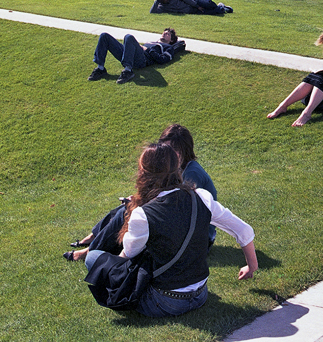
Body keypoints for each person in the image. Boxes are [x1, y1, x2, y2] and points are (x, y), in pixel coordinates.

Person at [79, 142, 258, 317]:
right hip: (200, 294)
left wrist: (112, 267)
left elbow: (129, 253)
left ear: (143, 174)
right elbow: (243, 229)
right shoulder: (202, 197)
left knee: (95, 258)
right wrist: (252, 266)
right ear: (177, 167)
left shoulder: (143, 214)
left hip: (164, 302)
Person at [65, 124, 217, 259]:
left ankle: (90, 251)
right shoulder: (173, 170)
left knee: (125, 213)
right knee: (125, 207)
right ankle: (94, 237)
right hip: (180, 229)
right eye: (164, 147)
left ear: (185, 150)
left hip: (195, 239)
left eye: (173, 149)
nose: (167, 153)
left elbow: (178, 207)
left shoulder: (192, 174)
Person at [87, 28, 186, 84]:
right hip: (133, 54)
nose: (164, 33)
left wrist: (147, 50)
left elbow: (163, 60)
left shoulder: (168, 47)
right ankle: (100, 68)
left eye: (168, 34)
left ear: (171, 40)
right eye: (164, 32)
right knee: (104, 36)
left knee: (128, 37)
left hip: (142, 60)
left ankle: (128, 70)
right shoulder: (151, 42)